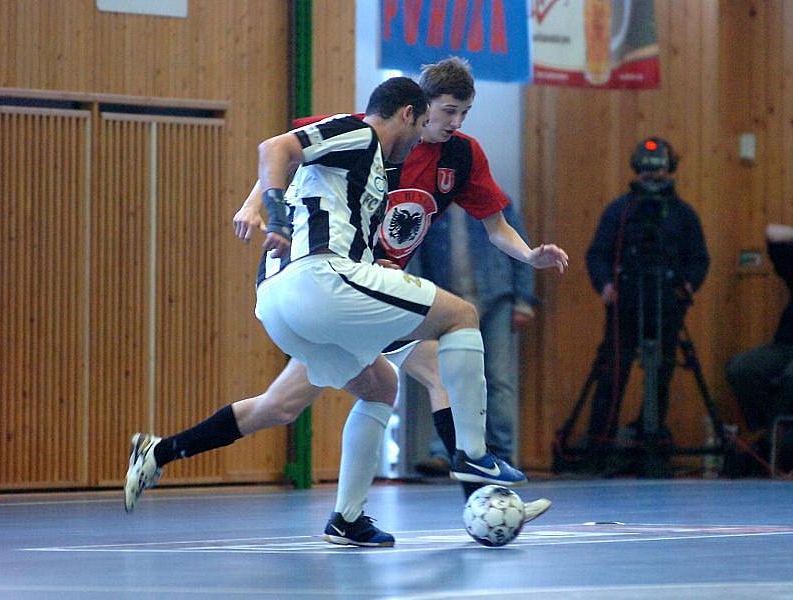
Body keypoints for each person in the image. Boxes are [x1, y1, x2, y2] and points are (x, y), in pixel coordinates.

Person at [125, 60, 567, 546]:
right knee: (447, 349)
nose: (454, 122)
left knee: (298, 402)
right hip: (342, 281)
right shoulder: (369, 131)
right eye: (445, 112)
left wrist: (528, 255)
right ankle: (482, 489)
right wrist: (260, 204)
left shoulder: (459, 156)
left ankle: (163, 453)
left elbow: (495, 225)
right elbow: (287, 149)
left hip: (337, 292)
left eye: (465, 112)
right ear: (414, 110)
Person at [583, 137, 709, 474]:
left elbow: (700, 259)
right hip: (625, 305)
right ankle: (600, 447)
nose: (653, 174)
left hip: (666, 306)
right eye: (647, 167)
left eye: (659, 167)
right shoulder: (620, 211)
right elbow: (597, 254)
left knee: (660, 375)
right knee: (613, 372)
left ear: (670, 167)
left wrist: (687, 285)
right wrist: (606, 285)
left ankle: (649, 444)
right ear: (637, 168)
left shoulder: (682, 214)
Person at [415, 200, 538, 474]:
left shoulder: (494, 199)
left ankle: (502, 452)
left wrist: (524, 301)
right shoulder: (431, 203)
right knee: (445, 376)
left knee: (497, 378)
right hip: (446, 302)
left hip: (495, 298)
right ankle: (446, 452)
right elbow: (416, 254)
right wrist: (418, 300)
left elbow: (520, 248)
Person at [725, 223, 793, 471]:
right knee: (741, 368)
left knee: (791, 378)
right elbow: (772, 233)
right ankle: (767, 434)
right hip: (785, 346)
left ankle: (775, 442)